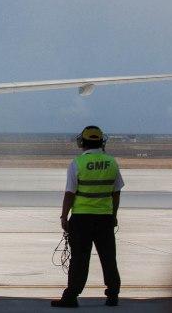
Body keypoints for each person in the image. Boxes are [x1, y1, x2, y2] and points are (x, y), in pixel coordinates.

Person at [53, 125, 124, 308]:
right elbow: (116, 192)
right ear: (101, 142)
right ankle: (113, 295)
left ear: (82, 143)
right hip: (104, 218)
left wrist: (63, 216)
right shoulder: (111, 163)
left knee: (79, 260)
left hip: (82, 219)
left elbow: (70, 193)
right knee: (108, 258)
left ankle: (71, 296)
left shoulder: (77, 163)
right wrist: (113, 215)